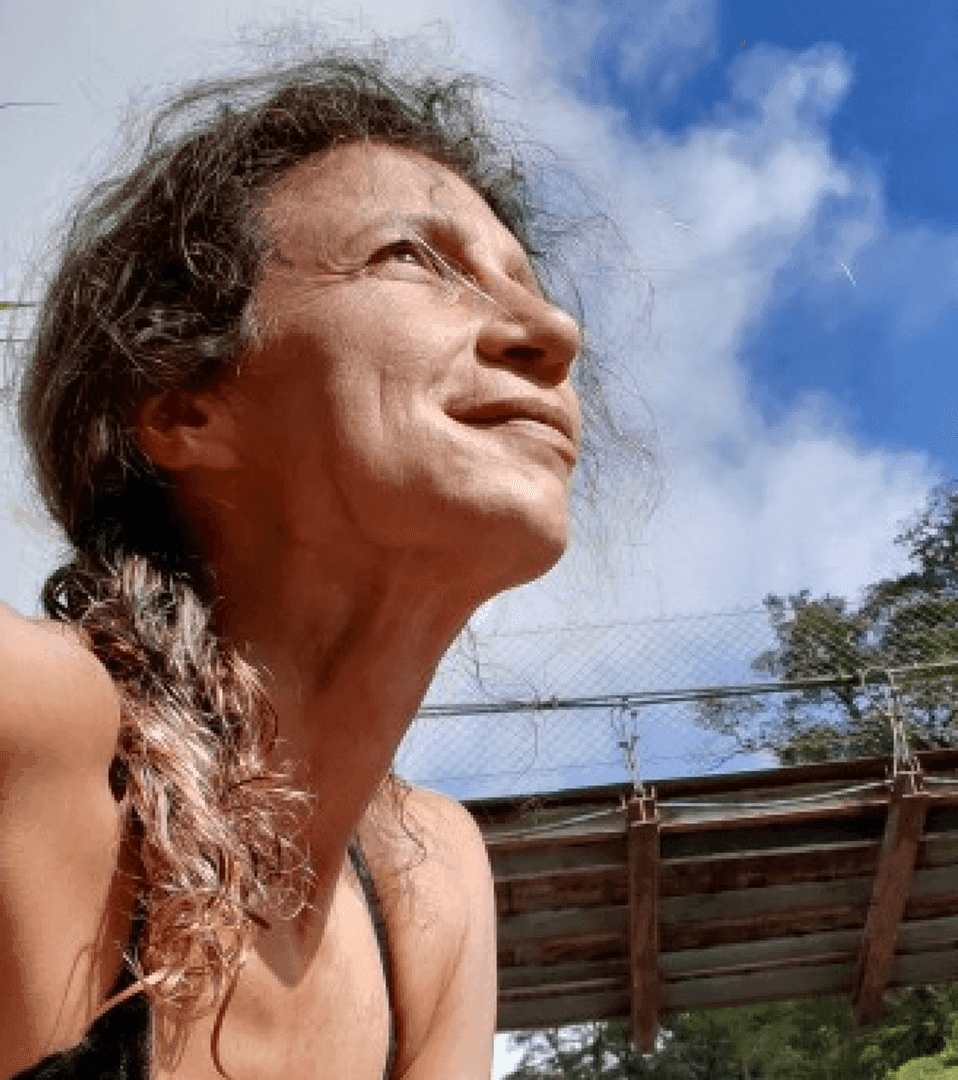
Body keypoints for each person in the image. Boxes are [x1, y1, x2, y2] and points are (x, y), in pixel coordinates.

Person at [0, 48, 605, 1079]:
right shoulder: (42, 735)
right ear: (185, 406)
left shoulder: (430, 887)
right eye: (410, 257)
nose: (553, 331)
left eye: (525, 282)